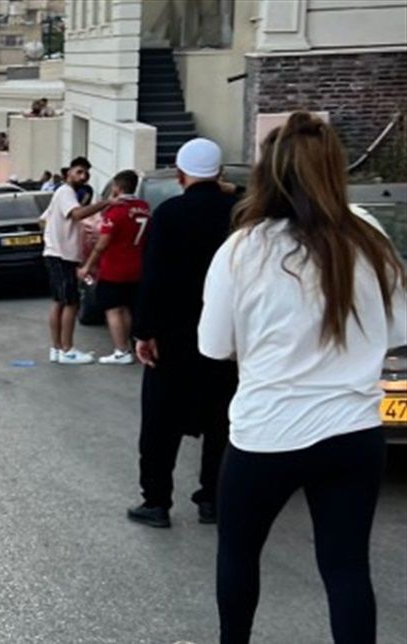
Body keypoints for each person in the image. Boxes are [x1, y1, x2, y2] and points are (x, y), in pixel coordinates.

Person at [199, 113, 406, 644]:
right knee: (347, 568)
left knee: (239, 556)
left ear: (268, 174)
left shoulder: (243, 249)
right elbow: (398, 329)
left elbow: (213, 345)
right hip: (353, 431)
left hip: (267, 432)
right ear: (335, 169)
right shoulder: (369, 239)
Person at [128, 137, 238, 529]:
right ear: (219, 172)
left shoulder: (169, 214)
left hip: (172, 336)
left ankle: (156, 501)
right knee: (222, 421)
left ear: (179, 174)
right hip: (226, 336)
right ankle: (213, 498)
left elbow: (153, 276)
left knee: (160, 423)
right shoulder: (239, 213)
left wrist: (144, 331)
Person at [40, 156, 112, 364]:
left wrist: (54, 236)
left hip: (58, 253)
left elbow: (42, 220)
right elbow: (78, 214)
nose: (83, 176)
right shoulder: (65, 192)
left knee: (59, 302)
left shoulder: (63, 194)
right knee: (71, 303)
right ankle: (67, 349)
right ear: (68, 172)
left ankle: (57, 348)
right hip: (61, 255)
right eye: (79, 172)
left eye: (86, 173)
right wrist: (106, 202)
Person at [78, 170, 151, 365]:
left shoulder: (116, 211)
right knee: (126, 307)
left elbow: (102, 243)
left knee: (113, 309)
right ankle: (127, 346)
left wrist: (87, 265)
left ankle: (121, 350)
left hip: (115, 267)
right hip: (137, 265)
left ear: (117, 187)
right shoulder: (144, 207)